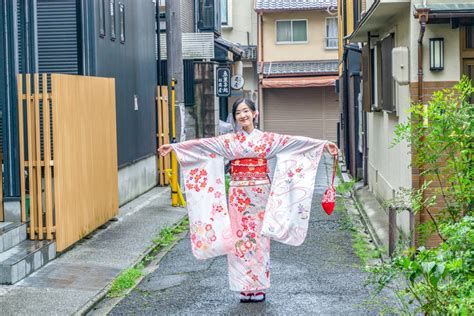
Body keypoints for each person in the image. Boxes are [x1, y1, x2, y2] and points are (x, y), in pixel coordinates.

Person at [159, 98, 338, 303]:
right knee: (239, 240)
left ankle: (259, 285)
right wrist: (174, 147)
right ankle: (243, 286)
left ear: (255, 114)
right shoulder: (228, 142)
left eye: (246, 111)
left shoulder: (267, 139)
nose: (242, 116)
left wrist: (323, 145)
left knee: (260, 240)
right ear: (235, 118)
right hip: (238, 196)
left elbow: (294, 142)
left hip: (260, 194)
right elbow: (202, 145)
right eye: (238, 113)